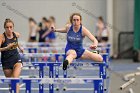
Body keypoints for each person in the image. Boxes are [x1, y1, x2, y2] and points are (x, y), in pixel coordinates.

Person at [0, 19, 23, 93]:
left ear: (13, 27)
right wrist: (7, 48)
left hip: (16, 60)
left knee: (15, 79)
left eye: (11, 27)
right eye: (7, 27)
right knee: (11, 84)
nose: (9, 29)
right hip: (6, 62)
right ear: (4, 28)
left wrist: (20, 48)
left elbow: (15, 41)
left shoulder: (16, 34)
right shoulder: (2, 37)